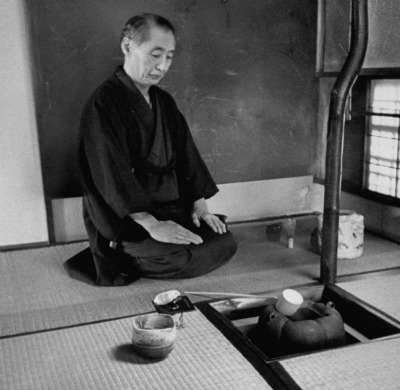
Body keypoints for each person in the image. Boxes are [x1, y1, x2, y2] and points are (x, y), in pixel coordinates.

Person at [72, 13, 237, 286]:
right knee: (179, 257)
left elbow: (187, 158)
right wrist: (151, 224)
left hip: (173, 210)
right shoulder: (103, 103)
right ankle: (126, 253)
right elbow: (112, 175)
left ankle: (163, 244)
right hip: (131, 221)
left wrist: (201, 207)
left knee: (225, 241)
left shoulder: (164, 102)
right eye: (155, 55)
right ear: (127, 47)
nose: (162, 67)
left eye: (169, 57)